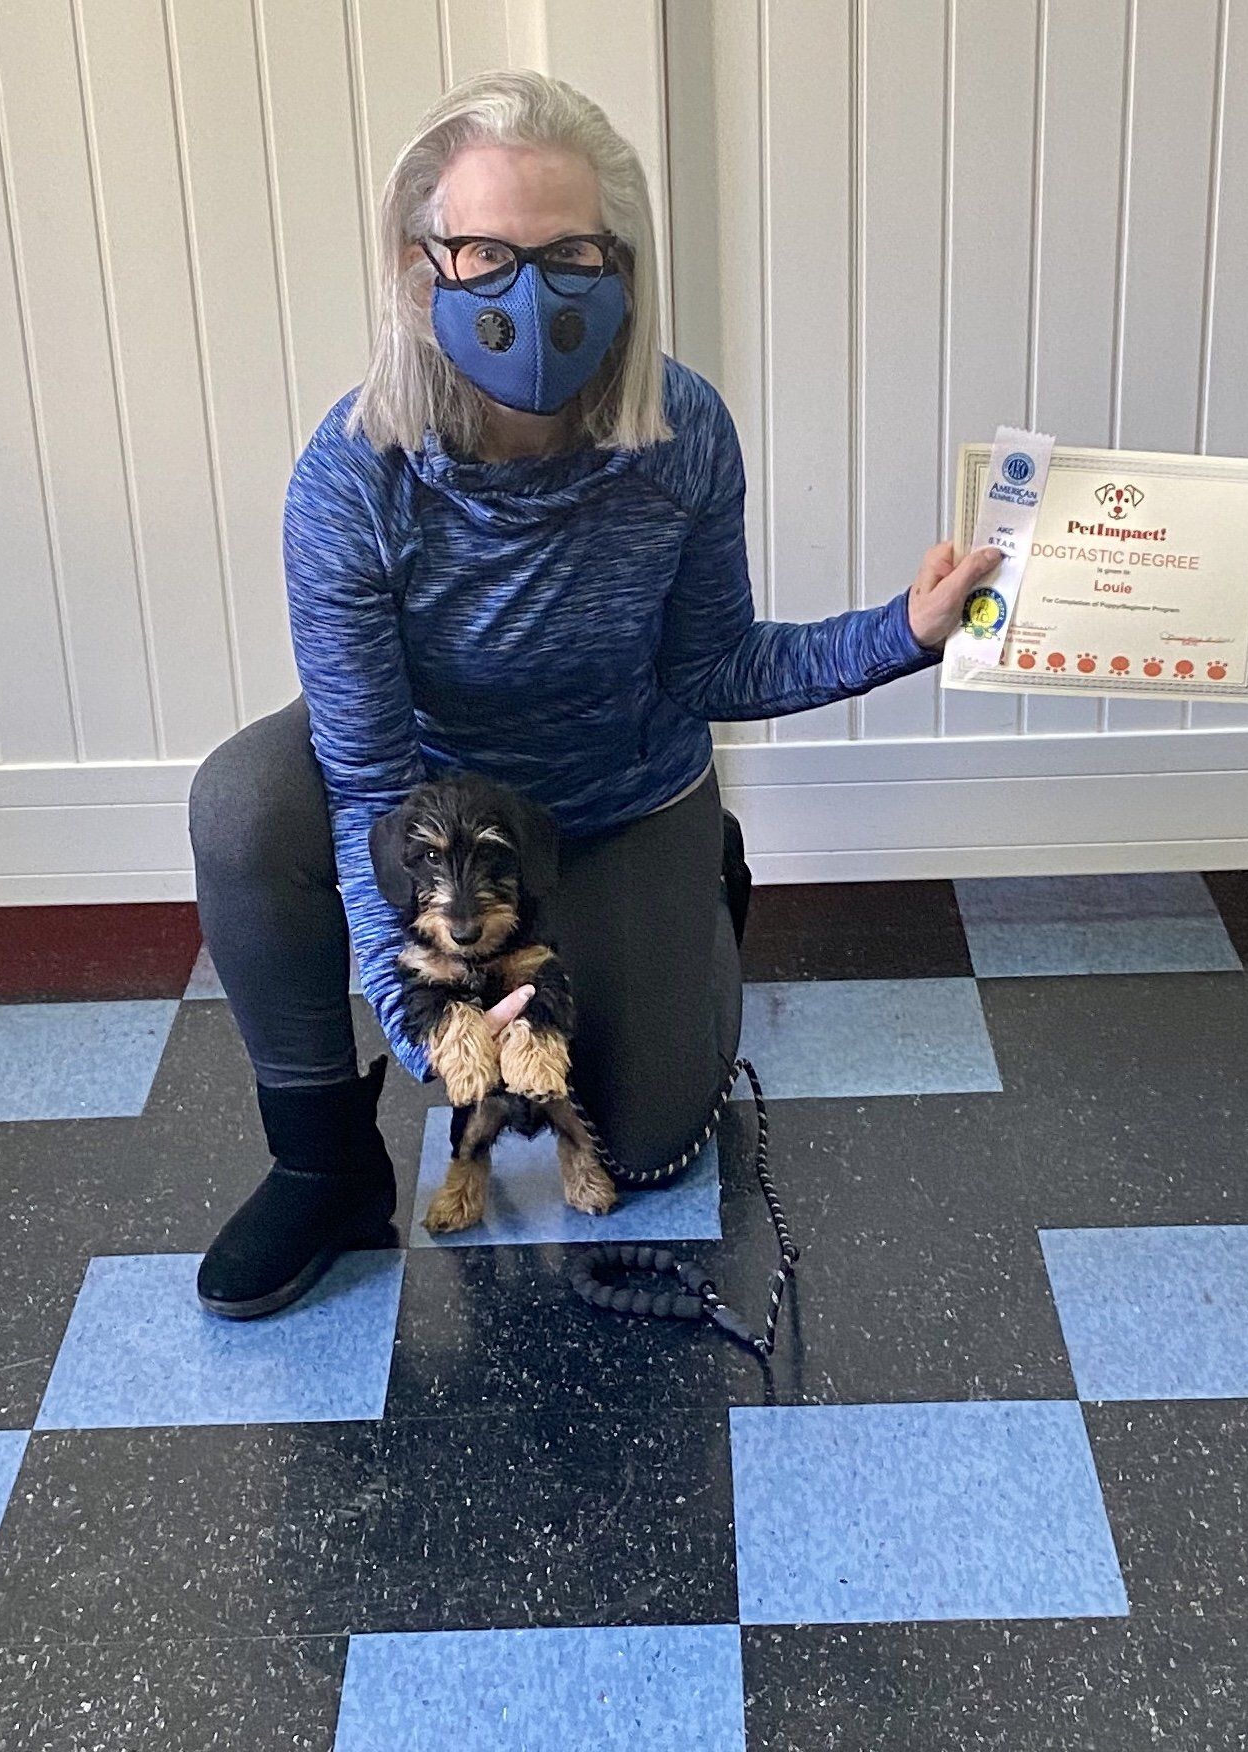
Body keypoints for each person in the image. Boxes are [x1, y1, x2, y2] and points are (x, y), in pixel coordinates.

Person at [188, 69, 1002, 1319]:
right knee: (247, 803)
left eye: (570, 252)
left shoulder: (682, 432)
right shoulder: (351, 480)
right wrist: (437, 1038)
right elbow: (369, 783)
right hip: (443, 797)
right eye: (482, 253)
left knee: (648, 1148)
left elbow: (716, 668)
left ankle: (693, 892)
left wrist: (907, 630)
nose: (531, 292)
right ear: (420, 272)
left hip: (624, 792)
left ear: (621, 265)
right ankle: (322, 1162)